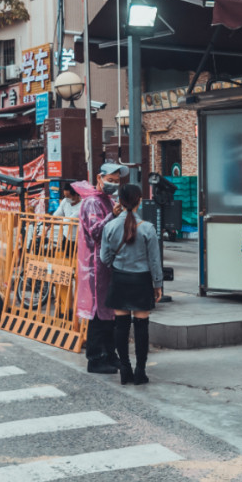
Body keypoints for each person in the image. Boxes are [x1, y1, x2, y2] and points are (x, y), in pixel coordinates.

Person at [100, 184, 163, 385]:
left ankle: (124, 369)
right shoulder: (147, 228)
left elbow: (104, 257)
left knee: (121, 326)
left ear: (120, 201)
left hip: (119, 278)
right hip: (142, 280)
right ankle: (140, 372)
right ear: (140, 200)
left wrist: (116, 264)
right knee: (141, 326)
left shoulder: (109, 226)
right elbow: (154, 261)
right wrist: (157, 284)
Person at [73, 163, 128, 374]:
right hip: (96, 267)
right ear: (99, 177)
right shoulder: (92, 203)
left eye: (117, 181)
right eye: (110, 180)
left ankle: (110, 355)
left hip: (108, 265)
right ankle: (95, 358)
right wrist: (112, 216)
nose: (113, 185)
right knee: (98, 314)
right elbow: (95, 232)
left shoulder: (108, 201)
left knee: (109, 313)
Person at [52, 182, 82, 248]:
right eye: (65, 196)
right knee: (66, 257)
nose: (66, 198)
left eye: (68, 196)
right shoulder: (65, 201)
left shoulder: (82, 206)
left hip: (78, 239)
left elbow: (70, 220)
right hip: (66, 236)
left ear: (76, 195)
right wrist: (55, 218)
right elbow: (56, 215)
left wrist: (59, 220)